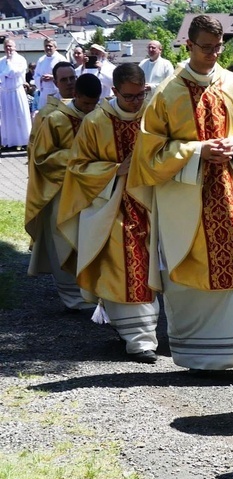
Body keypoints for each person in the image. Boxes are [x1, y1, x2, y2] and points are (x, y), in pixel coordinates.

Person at [128, 15, 233, 377]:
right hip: (187, 199)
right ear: (189, 46)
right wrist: (197, 152)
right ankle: (199, 358)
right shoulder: (168, 92)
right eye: (205, 47)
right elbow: (149, 155)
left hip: (232, 192)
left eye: (218, 47)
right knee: (192, 272)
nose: (212, 54)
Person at [57, 64, 159, 363]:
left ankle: (139, 330)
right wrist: (116, 170)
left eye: (141, 95)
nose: (136, 102)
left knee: (155, 268)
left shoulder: (151, 118)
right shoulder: (96, 122)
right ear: (114, 91)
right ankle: (139, 340)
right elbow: (77, 167)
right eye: (129, 97)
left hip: (152, 204)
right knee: (127, 265)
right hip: (112, 206)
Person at [25, 73, 101, 313]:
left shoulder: (100, 117)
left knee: (89, 238)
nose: (90, 108)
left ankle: (93, 290)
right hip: (61, 188)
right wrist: (78, 159)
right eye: (86, 103)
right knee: (64, 239)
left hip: (91, 189)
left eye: (94, 103)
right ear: (76, 95)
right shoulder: (55, 119)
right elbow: (41, 157)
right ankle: (72, 296)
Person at [27, 62, 77, 158]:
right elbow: (38, 152)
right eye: (64, 80)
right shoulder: (45, 115)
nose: (69, 83)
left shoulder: (88, 107)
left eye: (72, 78)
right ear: (55, 83)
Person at [0, 39, 32, 150]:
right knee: (7, 118)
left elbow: (15, 73)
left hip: (16, 91)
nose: (8, 49)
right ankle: (9, 142)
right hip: (5, 93)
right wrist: (6, 72)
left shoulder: (20, 59)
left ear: (14, 47)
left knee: (20, 116)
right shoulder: (1, 60)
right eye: (6, 47)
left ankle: (23, 141)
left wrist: (9, 64)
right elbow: (1, 75)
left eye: (10, 46)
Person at [34, 39, 67, 110]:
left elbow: (66, 74)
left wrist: (53, 77)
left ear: (55, 47)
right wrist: (40, 79)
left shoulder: (61, 59)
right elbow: (36, 75)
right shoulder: (41, 60)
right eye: (46, 46)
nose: (48, 48)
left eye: (50, 46)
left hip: (57, 92)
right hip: (44, 93)